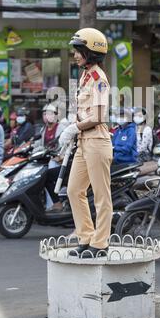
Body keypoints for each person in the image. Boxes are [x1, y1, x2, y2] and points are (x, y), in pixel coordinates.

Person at [59, 28, 113, 258]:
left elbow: (99, 115)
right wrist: (73, 128)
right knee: (73, 190)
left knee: (101, 196)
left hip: (97, 142)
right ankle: (86, 237)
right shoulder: (85, 75)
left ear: (91, 52)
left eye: (79, 50)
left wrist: (74, 128)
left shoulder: (99, 78)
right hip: (83, 142)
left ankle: (100, 244)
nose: (75, 55)